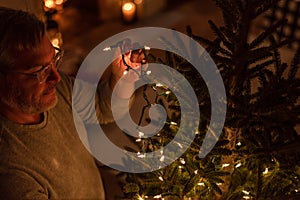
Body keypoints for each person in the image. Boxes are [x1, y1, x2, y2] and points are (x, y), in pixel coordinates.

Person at [0, 6, 145, 199]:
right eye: (39, 71)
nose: (56, 77)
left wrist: (123, 78)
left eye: (54, 60)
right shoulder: (10, 174)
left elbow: (103, 108)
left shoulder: (55, 91)